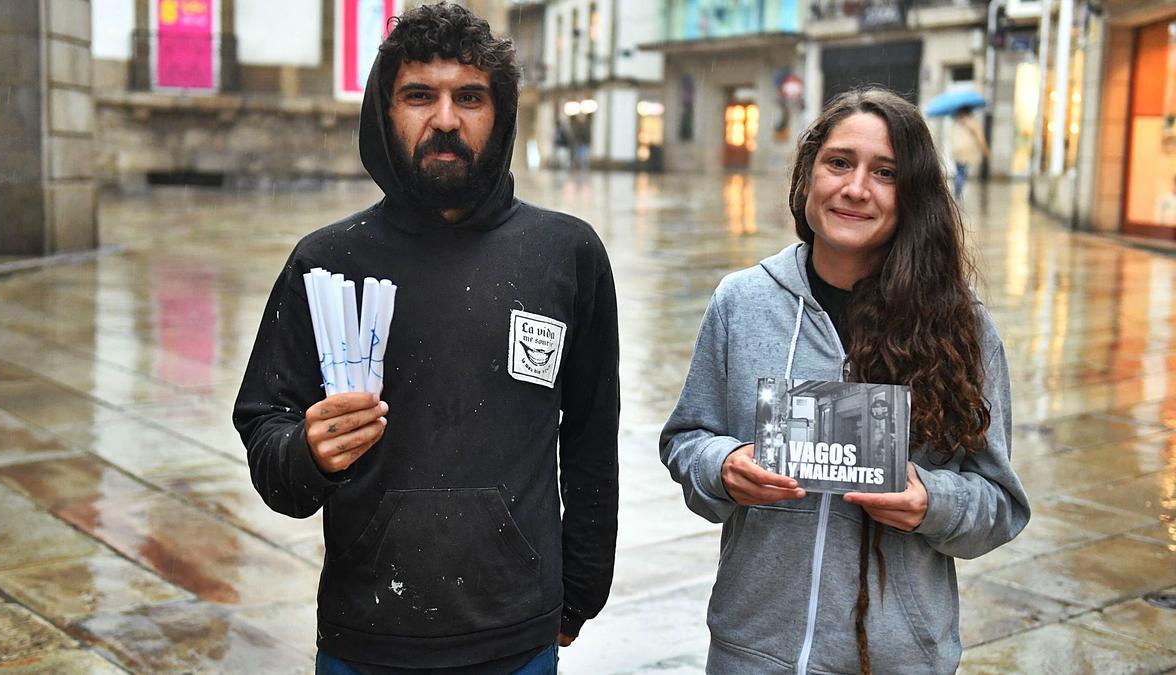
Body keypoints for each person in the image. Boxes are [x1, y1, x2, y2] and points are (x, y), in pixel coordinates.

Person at [233, 4, 620, 673]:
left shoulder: (567, 252)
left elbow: (590, 435)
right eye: (419, 96)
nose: (446, 120)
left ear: (501, 114)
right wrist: (308, 452)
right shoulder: (326, 263)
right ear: (383, 113)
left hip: (517, 631)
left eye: (470, 97)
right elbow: (268, 435)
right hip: (366, 633)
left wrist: (580, 592)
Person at [660, 88, 1029, 674]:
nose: (856, 188)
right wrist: (723, 466)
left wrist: (930, 503)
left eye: (885, 172)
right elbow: (686, 439)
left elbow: (999, 505)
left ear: (912, 196)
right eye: (839, 163)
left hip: (896, 658)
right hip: (753, 651)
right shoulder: (742, 300)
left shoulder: (962, 325)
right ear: (808, 173)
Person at [949, 105, 988, 201]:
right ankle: (957, 192)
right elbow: (980, 137)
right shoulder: (972, 123)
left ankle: (956, 190)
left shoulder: (956, 122)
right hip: (967, 151)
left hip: (956, 151)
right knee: (962, 172)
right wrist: (985, 149)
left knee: (959, 170)